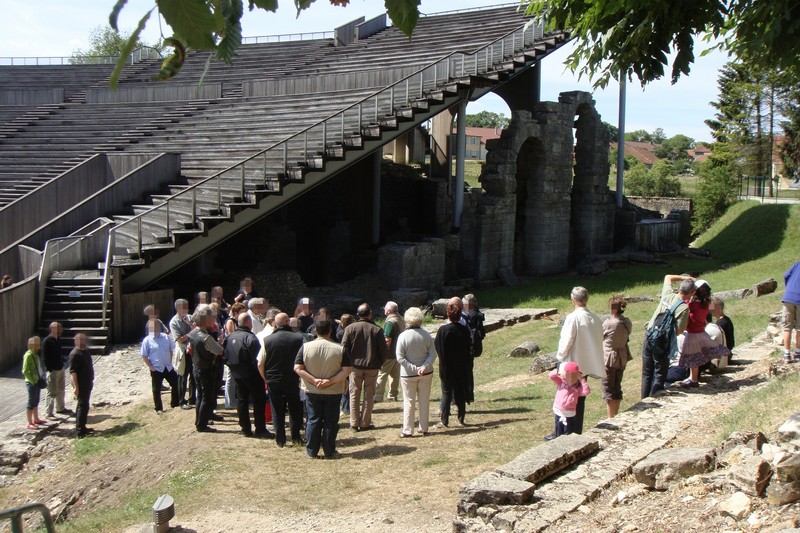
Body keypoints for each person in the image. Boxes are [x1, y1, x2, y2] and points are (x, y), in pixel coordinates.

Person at [550, 286, 604, 438]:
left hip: (571, 365)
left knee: (565, 398)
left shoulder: (573, 317)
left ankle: (562, 430)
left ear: (573, 300)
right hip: (585, 365)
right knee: (578, 398)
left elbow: (566, 341)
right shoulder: (594, 317)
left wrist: (560, 358)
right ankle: (575, 429)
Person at [294, 318, 352, 459]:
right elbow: (347, 370)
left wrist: (314, 380)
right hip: (333, 390)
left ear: (315, 331)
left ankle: (311, 451)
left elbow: (297, 368)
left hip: (312, 390)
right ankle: (329, 450)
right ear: (330, 331)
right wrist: (330, 381)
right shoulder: (340, 349)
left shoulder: (306, 347)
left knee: (313, 420)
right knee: (331, 421)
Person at [641, 275, 695, 398]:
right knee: (659, 374)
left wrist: (684, 278)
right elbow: (680, 331)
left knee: (647, 373)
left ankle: (643, 401)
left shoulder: (668, 295)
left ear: (680, 288)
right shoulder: (683, 308)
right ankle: (655, 397)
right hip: (662, 343)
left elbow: (667, 277)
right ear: (691, 293)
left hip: (649, 335)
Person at [341, 304, 389, 432]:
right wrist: (379, 363)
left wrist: (348, 363)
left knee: (354, 394)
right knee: (369, 395)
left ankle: (353, 423)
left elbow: (344, 348)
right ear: (370, 314)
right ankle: (365, 423)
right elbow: (384, 351)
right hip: (372, 367)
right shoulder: (377, 329)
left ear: (358, 315)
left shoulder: (350, 329)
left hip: (355, 367)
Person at [259, 312, 305, 447]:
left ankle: (280, 439)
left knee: (277, 409)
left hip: (273, 378)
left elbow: (260, 363)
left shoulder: (267, 340)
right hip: (292, 377)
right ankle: (296, 437)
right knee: (294, 408)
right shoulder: (298, 338)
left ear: (275, 323)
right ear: (287, 322)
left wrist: (265, 378)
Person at [224, 313, 273, 438]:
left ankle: (245, 428)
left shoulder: (229, 337)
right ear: (248, 322)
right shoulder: (250, 338)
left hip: (237, 373)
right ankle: (260, 428)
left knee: (242, 400)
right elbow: (257, 359)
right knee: (259, 400)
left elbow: (224, 355)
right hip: (251, 374)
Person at [675, 280, 731, 388]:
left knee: (692, 358)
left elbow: (684, 306)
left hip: (693, 333)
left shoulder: (692, 304)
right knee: (696, 356)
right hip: (700, 331)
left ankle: (694, 379)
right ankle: (692, 377)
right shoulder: (706, 304)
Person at [396, 307, 436, 437]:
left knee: (409, 401)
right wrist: (424, 366)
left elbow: (400, 357)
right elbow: (433, 353)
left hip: (408, 374)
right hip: (426, 373)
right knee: (424, 400)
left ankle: (408, 430)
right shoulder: (426, 335)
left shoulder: (403, 336)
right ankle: (424, 428)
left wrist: (413, 368)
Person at [435, 297, 472, 427]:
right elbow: (468, 348)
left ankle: (444, 420)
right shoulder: (464, 330)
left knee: (446, 393)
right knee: (459, 392)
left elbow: (438, 348)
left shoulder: (443, 330)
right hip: (460, 366)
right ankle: (461, 417)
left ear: (448, 315)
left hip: (446, 367)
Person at [188, 304, 224, 432]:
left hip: (196, 367)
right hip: (206, 369)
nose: (213, 320)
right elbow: (219, 351)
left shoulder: (192, 333)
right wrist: (219, 343)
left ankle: (199, 421)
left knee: (200, 396)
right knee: (206, 397)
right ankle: (202, 425)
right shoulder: (206, 337)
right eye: (211, 318)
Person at [601, 296, 632, 418]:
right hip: (622, 357)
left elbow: (600, 337)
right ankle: (615, 414)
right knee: (617, 386)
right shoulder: (627, 322)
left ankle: (610, 417)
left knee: (608, 388)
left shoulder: (608, 323)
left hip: (609, 358)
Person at [141, 319, 180, 414]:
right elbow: (144, 355)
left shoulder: (166, 337)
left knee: (175, 384)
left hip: (168, 367)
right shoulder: (147, 340)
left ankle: (175, 403)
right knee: (156, 390)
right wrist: (151, 367)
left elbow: (171, 350)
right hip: (156, 368)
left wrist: (170, 361)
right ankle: (158, 408)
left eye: (156, 326)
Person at [549, 361, 590, 437]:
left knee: (568, 433)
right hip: (558, 411)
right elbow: (551, 375)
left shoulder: (578, 388)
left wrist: (581, 379)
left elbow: (586, 391)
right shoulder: (561, 383)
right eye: (568, 375)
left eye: (574, 376)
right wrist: (559, 372)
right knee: (558, 431)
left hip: (569, 414)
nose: (571, 378)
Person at [375, 301, 405, 403]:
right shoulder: (401, 319)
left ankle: (377, 397)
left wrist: (382, 352)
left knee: (382, 374)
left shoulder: (390, 322)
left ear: (388, 311)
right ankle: (393, 396)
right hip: (399, 352)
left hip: (389, 353)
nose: (384, 309)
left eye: (385, 308)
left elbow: (387, 339)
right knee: (395, 375)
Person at [42, 321, 71, 418]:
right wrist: (50, 369)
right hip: (53, 370)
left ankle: (60, 408)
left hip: (60, 368)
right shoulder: (47, 341)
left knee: (61, 389)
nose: (60, 331)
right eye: (58, 329)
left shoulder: (58, 340)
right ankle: (49, 413)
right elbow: (44, 357)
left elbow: (59, 353)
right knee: (51, 391)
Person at [169, 299, 195, 409]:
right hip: (183, 351)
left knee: (193, 375)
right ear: (178, 308)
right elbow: (179, 339)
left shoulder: (189, 317)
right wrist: (191, 332)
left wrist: (191, 326)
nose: (186, 309)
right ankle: (181, 401)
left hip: (193, 350)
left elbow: (197, 327)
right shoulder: (174, 322)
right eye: (184, 307)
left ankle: (192, 398)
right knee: (182, 376)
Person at [69, 333, 95, 438]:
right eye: (79, 340)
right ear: (76, 341)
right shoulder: (75, 354)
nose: (82, 342)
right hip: (81, 384)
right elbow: (73, 372)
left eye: (83, 340)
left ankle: (83, 427)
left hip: (87, 383)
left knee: (85, 406)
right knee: (81, 406)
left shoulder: (86, 351)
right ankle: (79, 431)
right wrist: (76, 387)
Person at [462, 294, 485, 403]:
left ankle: (465, 395)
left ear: (467, 304)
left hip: (468, 347)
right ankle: (469, 395)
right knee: (469, 372)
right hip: (474, 347)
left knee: (465, 372)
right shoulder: (478, 314)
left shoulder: (470, 316)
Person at [23, 336, 47, 430]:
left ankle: (36, 419)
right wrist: (32, 381)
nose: (39, 345)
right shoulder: (28, 355)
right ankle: (29, 422)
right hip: (31, 382)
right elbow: (25, 371)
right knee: (31, 402)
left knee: (36, 401)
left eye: (39, 343)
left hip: (38, 380)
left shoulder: (36, 354)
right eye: (36, 344)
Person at [782, 261, 800, 363]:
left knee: (787, 328)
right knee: (799, 329)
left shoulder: (797, 264)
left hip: (788, 298)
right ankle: (797, 353)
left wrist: (789, 288)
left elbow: (786, 275)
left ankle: (786, 355)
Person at [338, 313, 356, 415]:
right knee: (351, 385)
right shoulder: (354, 329)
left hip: (345, 360)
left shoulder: (342, 333)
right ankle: (348, 406)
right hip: (354, 360)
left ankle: (346, 408)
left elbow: (343, 345)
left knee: (345, 385)